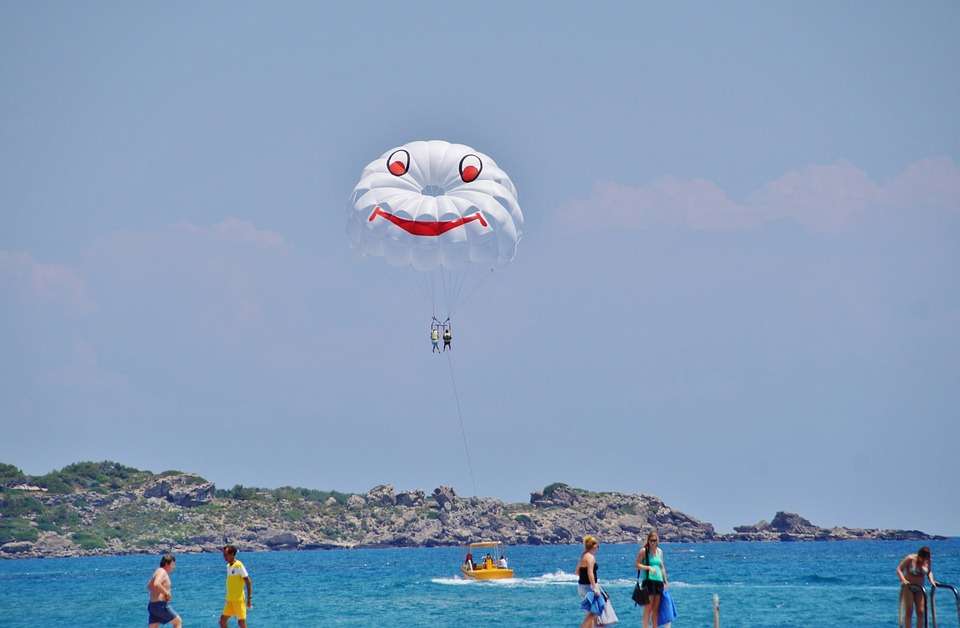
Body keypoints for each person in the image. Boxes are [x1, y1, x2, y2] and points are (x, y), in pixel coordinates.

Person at [897, 546, 938, 628]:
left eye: (925, 559)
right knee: (909, 611)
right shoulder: (910, 558)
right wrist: (903, 580)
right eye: (922, 559)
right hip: (908, 587)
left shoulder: (928, 561)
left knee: (920, 611)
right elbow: (899, 569)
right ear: (919, 555)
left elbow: (929, 572)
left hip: (920, 588)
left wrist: (931, 580)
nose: (923, 561)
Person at [636, 530, 668, 628]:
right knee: (648, 608)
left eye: (654, 540)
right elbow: (637, 564)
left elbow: (662, 567)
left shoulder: (660, 551)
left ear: (657, 540)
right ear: (648, 540)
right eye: (651, 540)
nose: (653, 542)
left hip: (658, 582)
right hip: (648, 582)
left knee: (656, 609)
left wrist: (665, 581)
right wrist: (648, 567)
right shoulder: (644, 551)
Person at [220, 545, 252, 628]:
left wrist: (249, 599)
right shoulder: (228, 566)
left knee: (241, 622)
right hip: (230, 599)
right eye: (223, 555)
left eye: (226, 555)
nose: (224, 557)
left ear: (232, 554)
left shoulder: (239, 565)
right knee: (222, 621)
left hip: (238, 600)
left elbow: (248, 581)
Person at [146, 554, 182, 628]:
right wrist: (167, 593)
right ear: (166, 564)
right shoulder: (162, 571)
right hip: (160, 605)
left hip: (152, 605)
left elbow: (149, 586)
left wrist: (157, 594)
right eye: (172, 564)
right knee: (177, 622)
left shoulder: (157, 571)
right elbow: (156, 584)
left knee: (154, 626)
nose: (174, 567)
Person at [576, 535, 601, 628]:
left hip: (581, 587)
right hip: (588, 587)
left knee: (590, 612)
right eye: (597, 545)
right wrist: (595, 588)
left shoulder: (583, 555)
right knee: (594, 612)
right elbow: (590, 573)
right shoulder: (590, 557)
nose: (598, 548)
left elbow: (577, 571)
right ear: (593, 546)